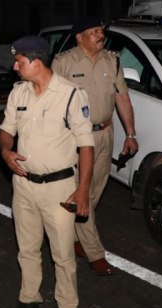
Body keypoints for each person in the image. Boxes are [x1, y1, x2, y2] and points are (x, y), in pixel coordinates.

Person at [0, 35, 94, 308]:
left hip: (59, 190)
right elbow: (6, 130)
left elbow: (86, 146)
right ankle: (29, 300)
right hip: (24, 186)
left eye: (19, 62)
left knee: (63, 256)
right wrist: (5, 151)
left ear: (36, 62)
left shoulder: (70, 94)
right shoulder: (19, 93)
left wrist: (82, 190)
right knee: (27, 249)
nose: (15, 67)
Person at [51, 15, 139, 277]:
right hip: (76, 136)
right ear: (79, 38)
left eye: (101, 31)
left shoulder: (112, 61)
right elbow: (51, 102)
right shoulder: (63, 62)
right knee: (84, 192)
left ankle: (76, 235)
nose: (101, 35)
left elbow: (122, 99)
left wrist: (131, 134)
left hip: (105, 134)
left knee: (95, 191)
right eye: (94, 32)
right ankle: (95, 253)